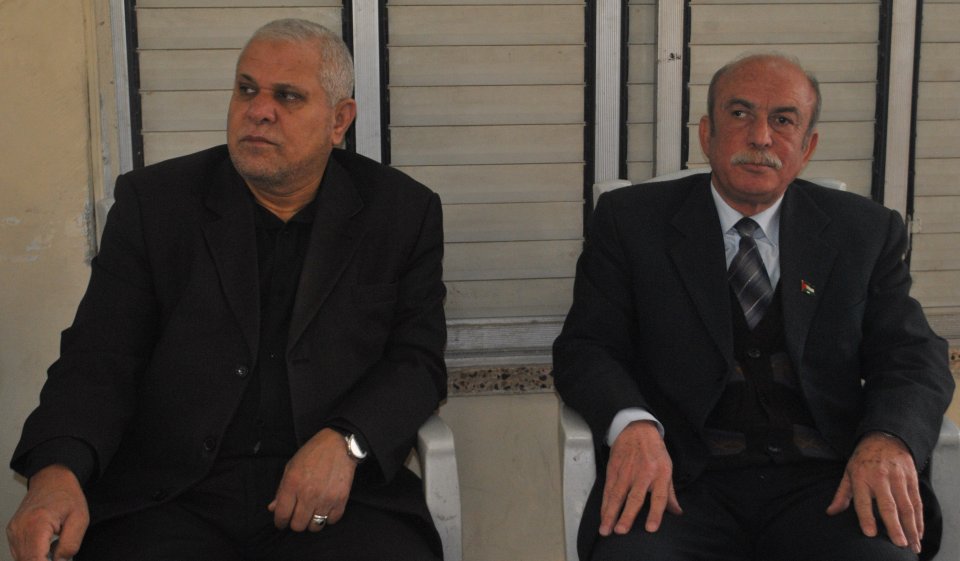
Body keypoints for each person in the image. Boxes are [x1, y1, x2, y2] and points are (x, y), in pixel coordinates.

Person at [7, 18, 446, 561]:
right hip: (171, 498)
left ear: (339, 120)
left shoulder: (400, 213)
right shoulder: (156, 205)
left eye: (287, 96)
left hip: (336, 499)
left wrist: (347, 442)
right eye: (246, 89)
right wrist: (55, 471)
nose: (259, 110)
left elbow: (416, 362)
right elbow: (99, 358)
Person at [552, 53, 954, 561]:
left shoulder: (864, 231)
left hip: (827, 483)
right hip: (678, 481)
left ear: (807, 147)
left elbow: (913, 356)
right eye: (740, 114)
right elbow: (587, 348)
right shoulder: (631, 223)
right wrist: (632, 425)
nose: (761, 137)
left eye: (783, 120)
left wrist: (888, 437)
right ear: (707, 134)